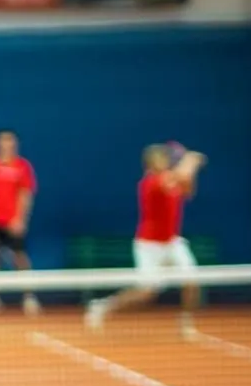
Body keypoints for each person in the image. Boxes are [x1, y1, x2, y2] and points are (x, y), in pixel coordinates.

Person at [84, 142, 206, 338]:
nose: (164, 161)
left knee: (192, 282)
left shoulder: (171, 180)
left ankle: (186, 323)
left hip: (173, 242)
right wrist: (190, 161)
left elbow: (188, 190)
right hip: (149, 246)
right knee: (146, 292)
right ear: (151, 163)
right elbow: (180, 177)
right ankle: (102, 306)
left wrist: (190, 170)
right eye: (160, 158)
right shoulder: (150, 183)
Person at [0, 129, 41, 316]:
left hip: (13, 222)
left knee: (20, 257)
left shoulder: (22, 167)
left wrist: (20, 218)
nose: (6, 146)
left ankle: (29, 297)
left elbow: (26, 194)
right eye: (2, 143)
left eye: (10, 143)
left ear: (15, 145)